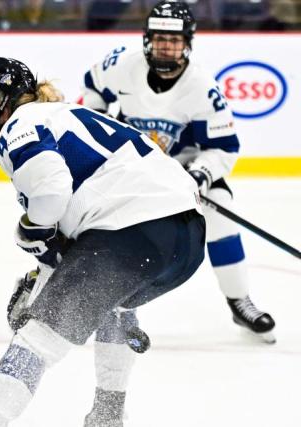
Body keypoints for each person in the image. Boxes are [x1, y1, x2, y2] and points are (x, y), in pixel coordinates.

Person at [0, 56, 206, 427]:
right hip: (186, 242)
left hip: (129, 234)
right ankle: (108, 415)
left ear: (0, 102)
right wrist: (40, 283)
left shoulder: (21, 124)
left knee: (36, 339)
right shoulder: (68, 115)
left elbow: (51, 194)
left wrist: (30, 229)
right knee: (112, 307)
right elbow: (65, 249)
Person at [80, 0, 276, 343]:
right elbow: (92, 87)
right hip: (131, 167)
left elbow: (223, 148)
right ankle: (94, 300)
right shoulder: (123, 65)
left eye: (174, 40)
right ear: (147, 39)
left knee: (221, 212)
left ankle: (239, 300)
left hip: (182, 170)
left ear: (187, 42)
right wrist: (101, 128)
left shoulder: (203, 88)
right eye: (159, 38)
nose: (166, 46)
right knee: (97, 219)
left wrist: (199, 175)